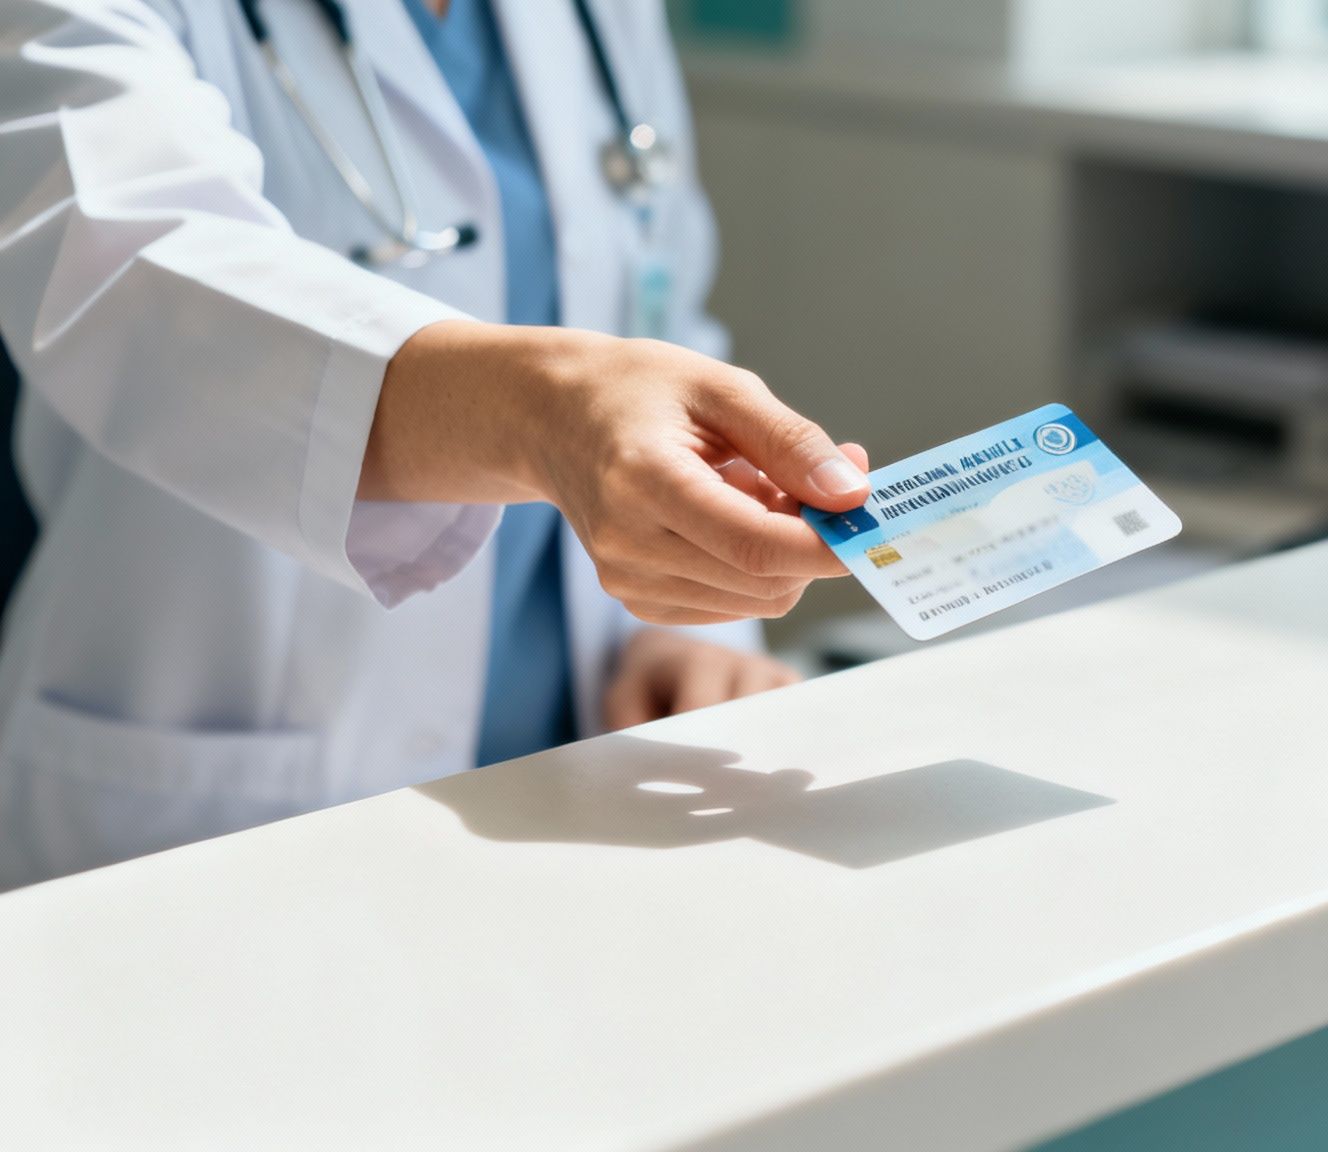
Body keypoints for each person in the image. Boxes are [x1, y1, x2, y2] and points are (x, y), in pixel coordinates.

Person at [0, 0, 872, 889]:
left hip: (580, 776)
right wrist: (537, 413)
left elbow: (657, 304)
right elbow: (123, 273)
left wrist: (683, 621)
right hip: (221, 821)